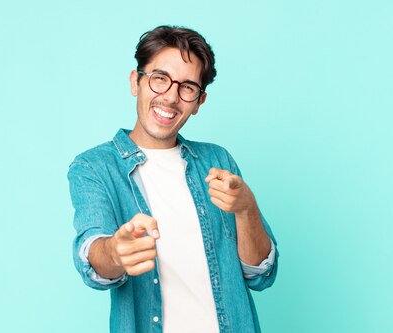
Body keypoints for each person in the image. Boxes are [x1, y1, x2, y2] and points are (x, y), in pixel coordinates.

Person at [68, 25, 279, 333]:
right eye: (160, 79)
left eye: (187, 87)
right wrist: (115, 250)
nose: (170, 98)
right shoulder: (94, 167)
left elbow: (261, 274)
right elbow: (93, 259)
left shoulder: (217, 161)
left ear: (199, 102)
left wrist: (247, 208)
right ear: (135, 82)